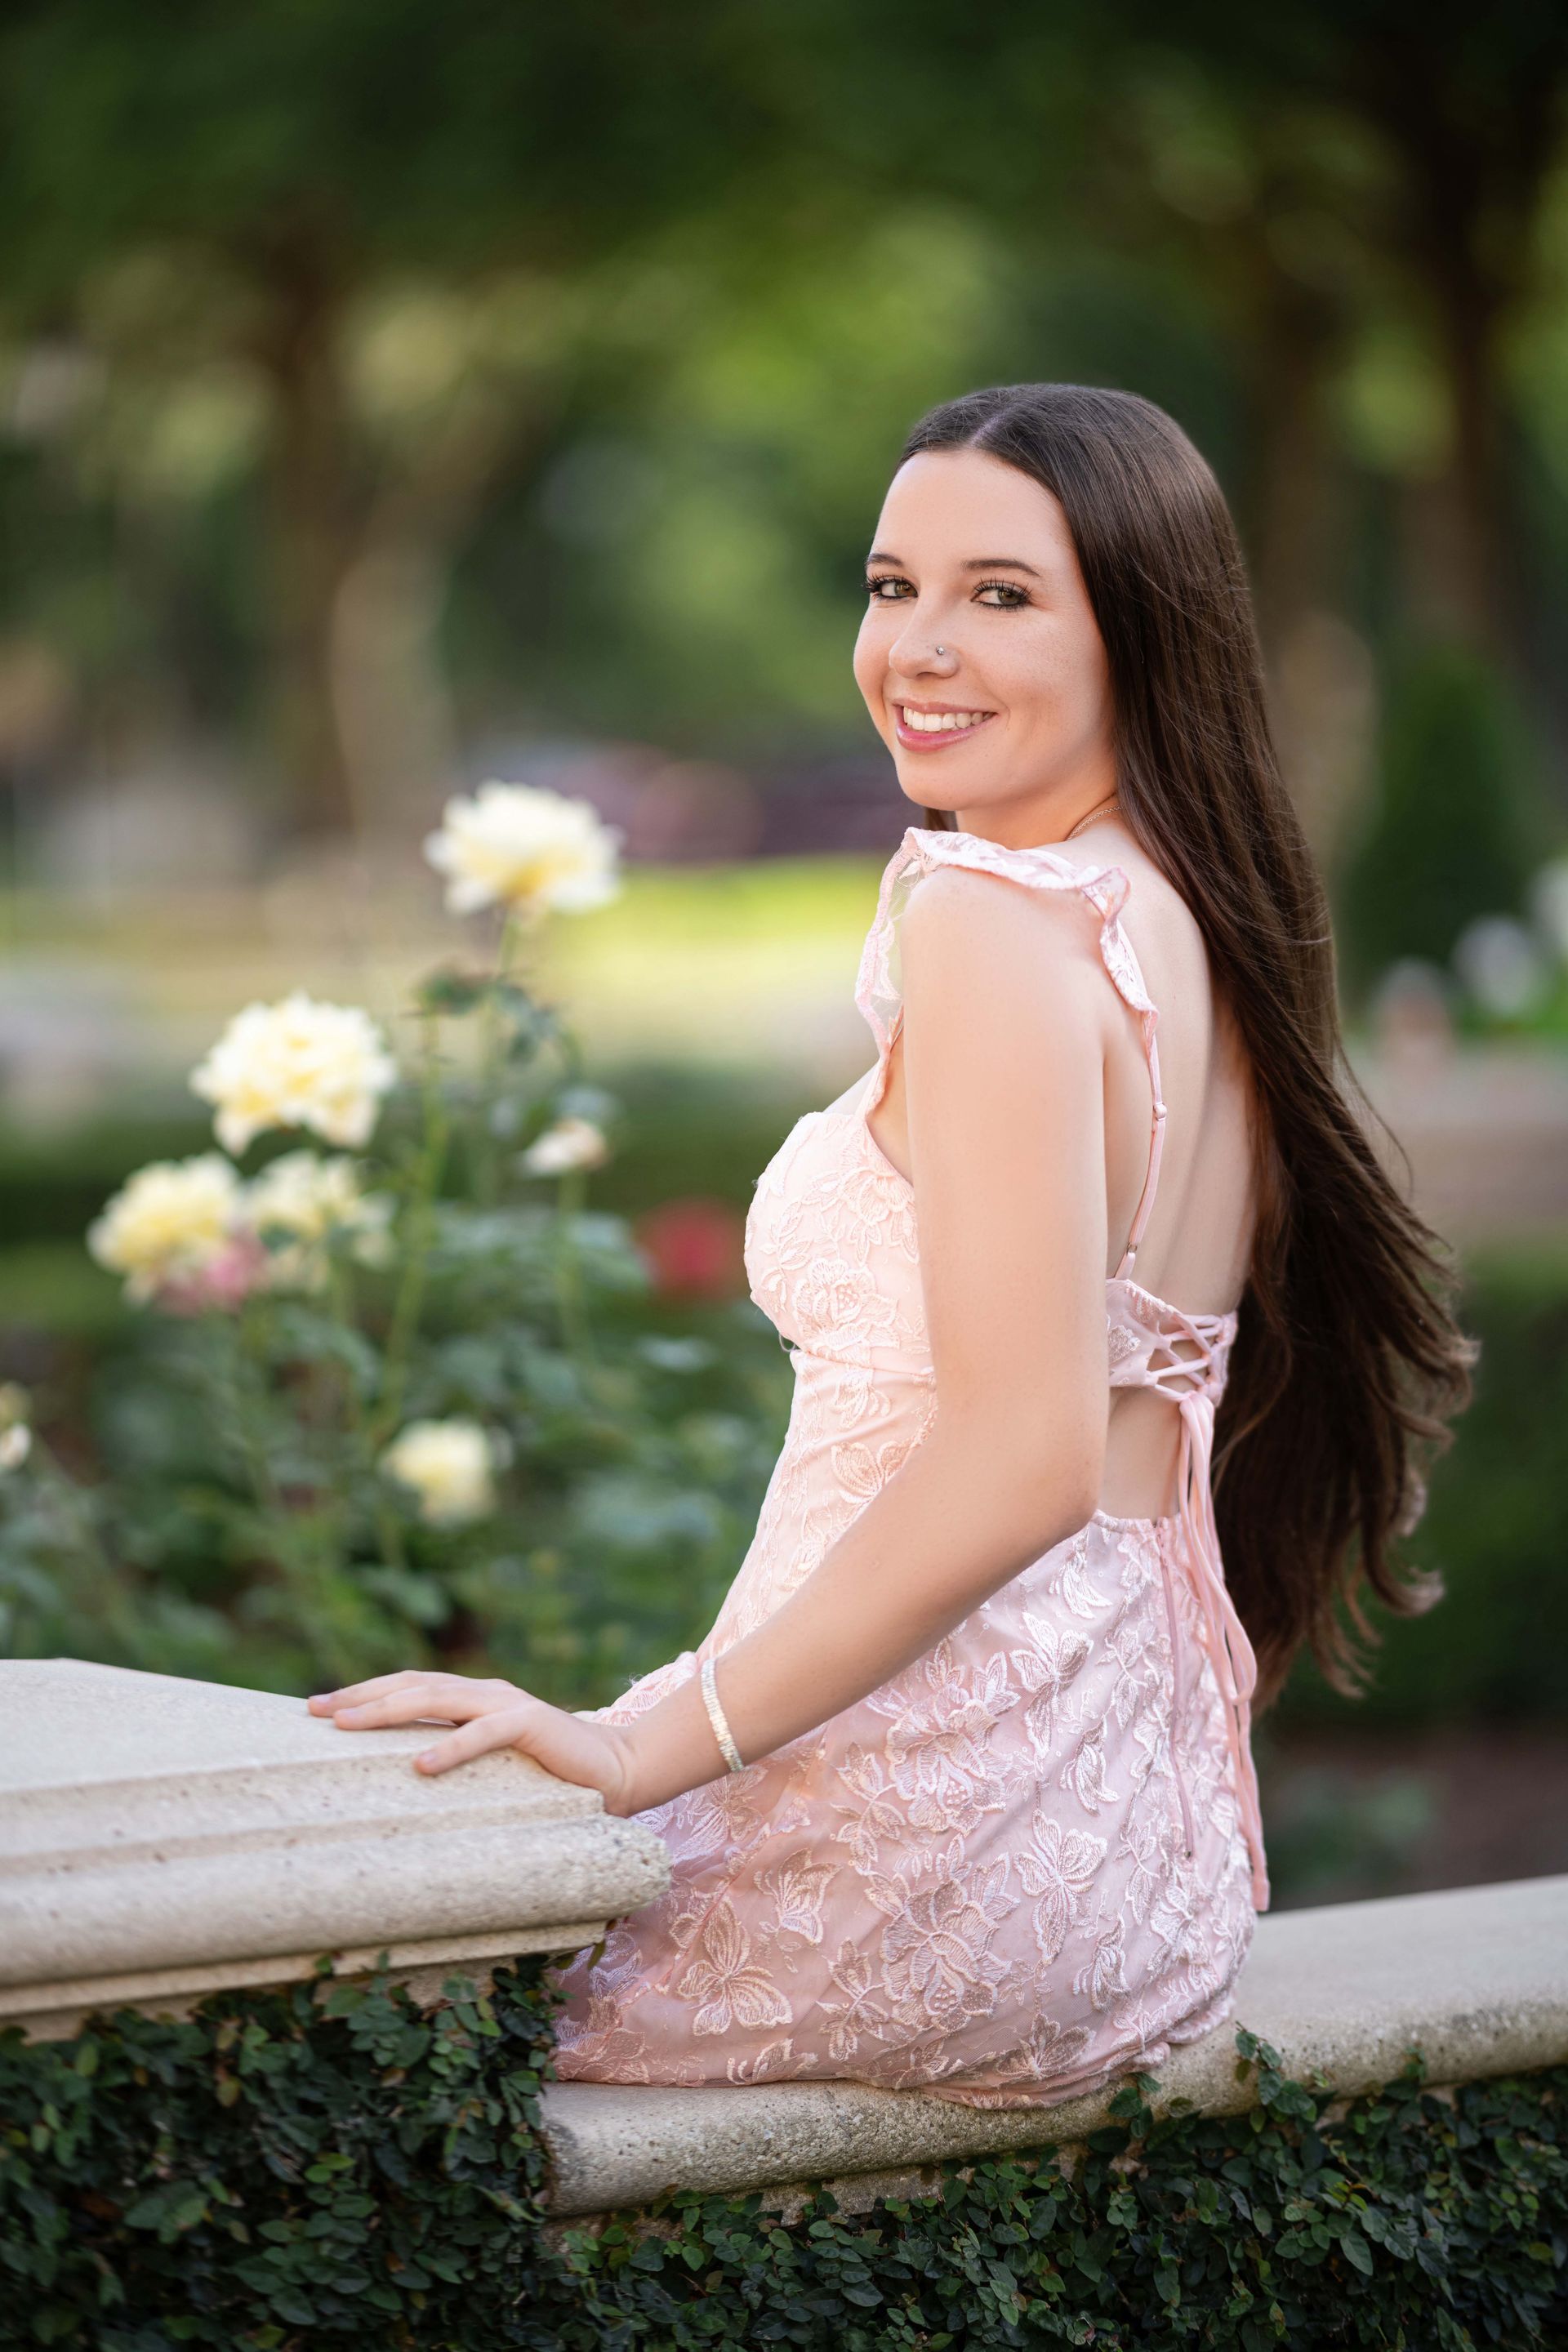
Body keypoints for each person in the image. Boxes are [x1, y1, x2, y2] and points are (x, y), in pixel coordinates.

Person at [310, 384, 1471, 2106]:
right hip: (1139, 1861)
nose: (917, 648)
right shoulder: (1186, 913)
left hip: (934, 1847)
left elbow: (1023, 1457)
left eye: (1001, 595)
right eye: (889, 586)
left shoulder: (994, 923)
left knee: (287, 2034)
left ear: (1144, 632)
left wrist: (643, 1744)